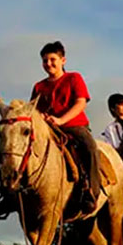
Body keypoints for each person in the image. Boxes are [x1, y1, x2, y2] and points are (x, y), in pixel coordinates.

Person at [30, 41, 101, 213]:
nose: (48, 64)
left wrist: (61, 120)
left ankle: (91, 191)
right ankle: (12, 191)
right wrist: (41, 118)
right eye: (45, 60)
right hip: (47, 129)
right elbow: (33, 111)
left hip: (73, 125)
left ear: (63, 60)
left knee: (91, 148)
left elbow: (80, 102)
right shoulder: (39, 86)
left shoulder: (73, 78)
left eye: (52, 59)